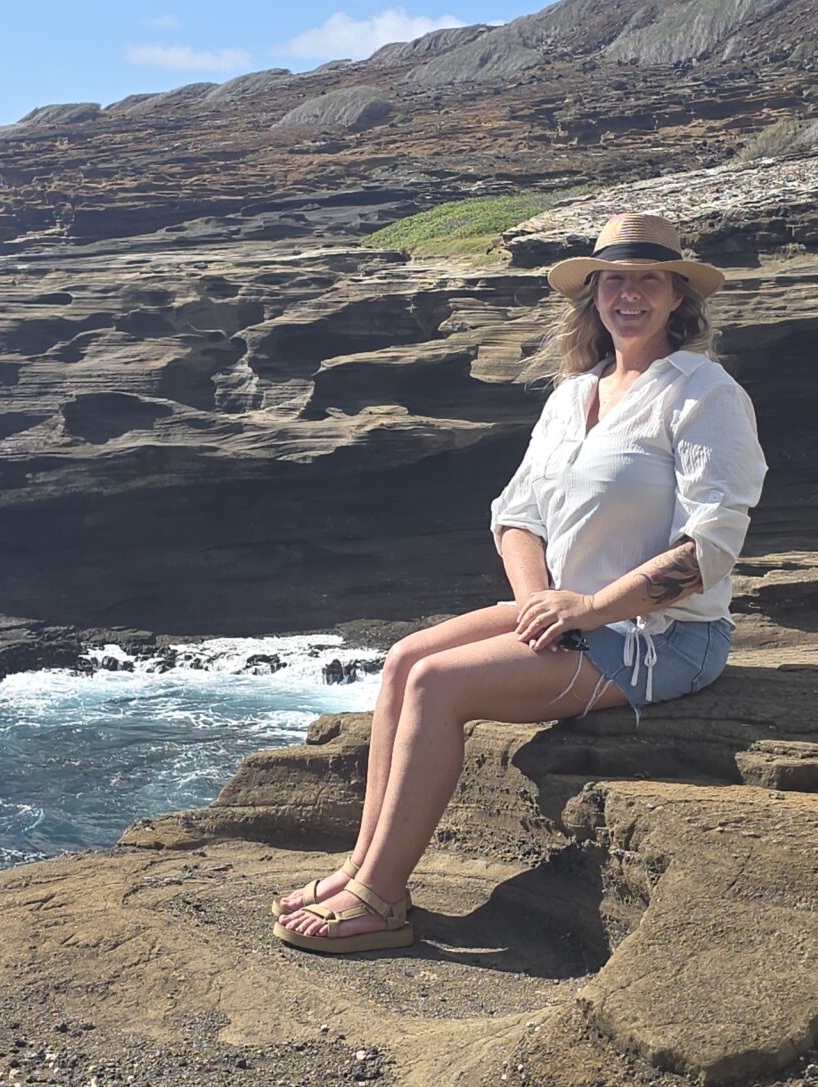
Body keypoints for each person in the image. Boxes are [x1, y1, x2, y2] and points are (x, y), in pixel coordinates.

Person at [272, 212, 768, 954]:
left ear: (677, 296)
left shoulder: (704, 393)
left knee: (439, 683)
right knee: (405, 658)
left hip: (662, 635)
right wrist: (541, 602)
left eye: (649, 278)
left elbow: (712, 544)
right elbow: (516, 514)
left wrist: (591, 607)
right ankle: (364, 867)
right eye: (614, 279)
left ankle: (380, 901)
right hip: (570, 612)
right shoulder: (574, 393)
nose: (629, 293)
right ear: (594, 294)